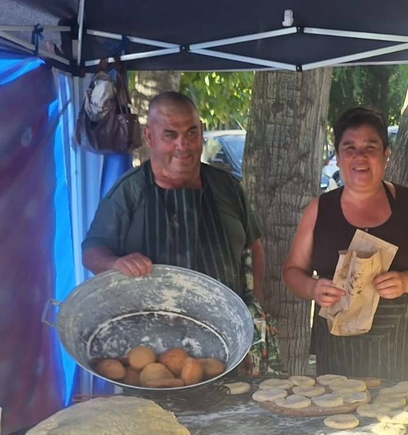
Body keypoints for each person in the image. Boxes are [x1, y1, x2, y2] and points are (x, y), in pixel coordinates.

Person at [82, 91, 281, 376]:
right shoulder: (129, 192)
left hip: (227, 343)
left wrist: (253, 309)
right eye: (170, 135)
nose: (183, 146)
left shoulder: (227, 187)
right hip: (153, 350)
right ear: (149, 137)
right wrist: (115, 263)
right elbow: (92, 250)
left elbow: (254, 247)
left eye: (191, 133)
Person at [282, 107, 408, 381]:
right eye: (349, 147)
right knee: (338, 417)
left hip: (402, 345)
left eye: (370, 146)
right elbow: (292, 271)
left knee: (402, 418)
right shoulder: (320, 209)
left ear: (386, 155)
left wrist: (406, 282)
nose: (360, 156)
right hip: (337, 343)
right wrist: (313, 288)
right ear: (337, 157)